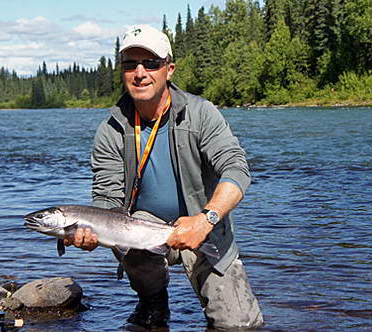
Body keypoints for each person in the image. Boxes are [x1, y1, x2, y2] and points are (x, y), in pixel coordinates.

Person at [65, 25, 264, 330]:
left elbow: (236, 169)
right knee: (129, 237)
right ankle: (153, 302)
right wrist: (92, 231)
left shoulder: (201, 114)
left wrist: (206, 218)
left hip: (205, 228)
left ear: (169, 70)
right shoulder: (112, 129)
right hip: (144, 231)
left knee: (240, 326)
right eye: (130, 65)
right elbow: (107, 199)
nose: (140, 73)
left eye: (151, 64)